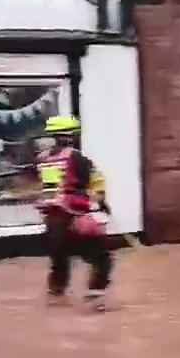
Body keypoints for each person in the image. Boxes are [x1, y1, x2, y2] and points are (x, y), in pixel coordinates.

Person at [35, 116, 112, 310]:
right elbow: (92, 181)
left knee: (59, 258)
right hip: (75, 215)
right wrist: (102, 203)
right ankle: (95, 295)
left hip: (52, 218)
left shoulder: (42, 159)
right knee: (102, 257)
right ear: (71, 135)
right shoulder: (76, 156)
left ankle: (56, 293)